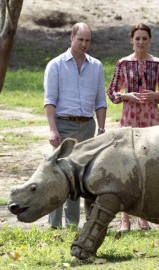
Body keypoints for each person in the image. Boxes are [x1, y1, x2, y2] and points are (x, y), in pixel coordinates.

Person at [107, 23, 159, 232]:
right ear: (131, 40)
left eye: (144, 38)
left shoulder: (158, 64)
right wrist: (127, 95)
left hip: (151, 118)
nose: (141, 42)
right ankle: (125, 218)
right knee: (128, 167)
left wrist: (156, 95)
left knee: (149, 167)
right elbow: (112, 93)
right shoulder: (123, 64)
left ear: (150, 40)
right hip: (130, 117)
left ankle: (143, 216)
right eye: (137, 38)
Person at [44, 22, 107, 229]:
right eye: (80, 39)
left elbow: (100, 101)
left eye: (87, 40)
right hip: (64, 125)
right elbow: (50, 100)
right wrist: (53, 129)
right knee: (58, 175)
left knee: (78, 177)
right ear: (71, 38)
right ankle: (54, 225)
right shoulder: (56, 65)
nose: (84, 44)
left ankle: (72, 224)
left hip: (87, 126)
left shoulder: (96, 66)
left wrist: (101, 129)